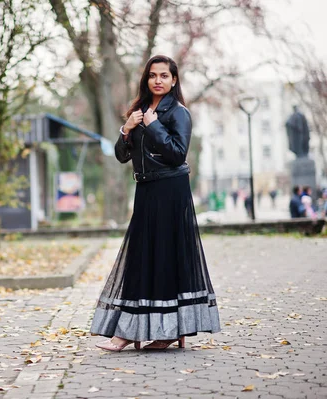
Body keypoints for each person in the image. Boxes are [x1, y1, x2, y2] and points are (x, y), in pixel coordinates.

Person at [90, 55, 220, 351]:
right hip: (146, 191)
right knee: (141, 257)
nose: (158, 80)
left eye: (164, 75)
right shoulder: (138, 112)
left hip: (171, 190)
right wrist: (127, 129)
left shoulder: (179, 113)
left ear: (174, 80)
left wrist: (154, 126)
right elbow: (122, 156)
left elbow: (177, 154)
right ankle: (132, 330)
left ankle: (166, 331)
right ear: (146, 80)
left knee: (165, 257)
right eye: (153, 75)